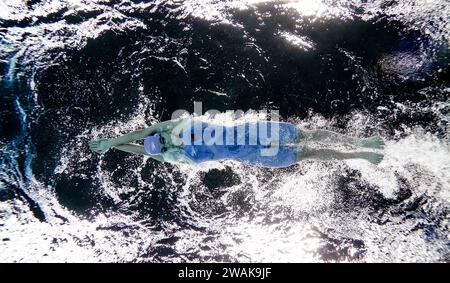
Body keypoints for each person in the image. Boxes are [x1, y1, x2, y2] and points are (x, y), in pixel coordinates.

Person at [88, 118, 384, 168]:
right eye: (161, 145)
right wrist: (113, 146)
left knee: (305, 137)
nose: (162, 141)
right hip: (257, 155)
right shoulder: (173, 156)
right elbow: (140, 148)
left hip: (254, 133)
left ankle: (361, 141)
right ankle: (359, 155)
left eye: (159, 139)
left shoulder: (171, 127)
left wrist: (112, 141)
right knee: (308, 152)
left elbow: (138, 137)